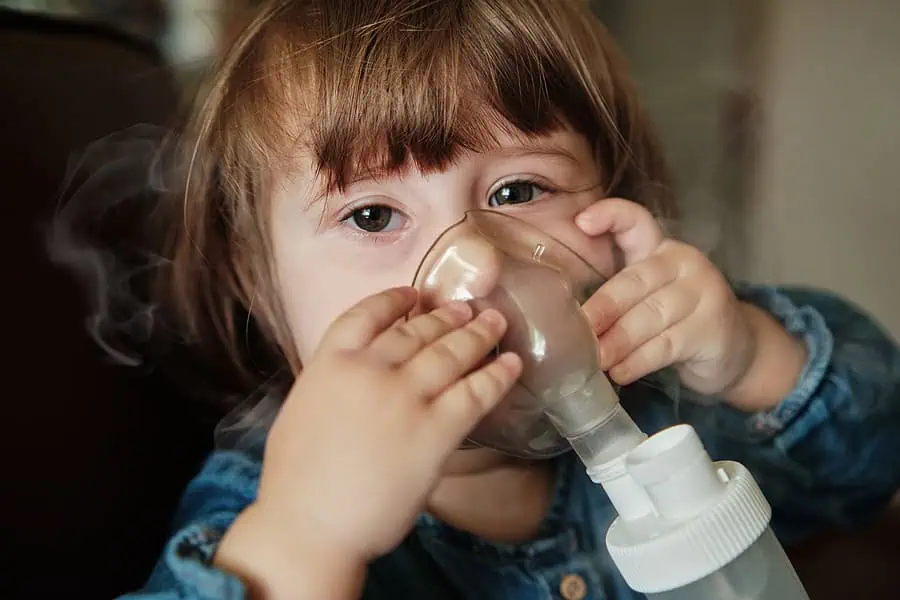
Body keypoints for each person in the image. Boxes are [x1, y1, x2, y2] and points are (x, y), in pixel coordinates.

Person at [95, 1, 900, 598]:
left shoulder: (674, 406)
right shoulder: (262, 506)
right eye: (372, 215)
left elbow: (874, 465)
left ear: (614, 217)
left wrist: (756, 355)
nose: (475, 265)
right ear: (256, 276)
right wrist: (307, 539)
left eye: (521, 189)